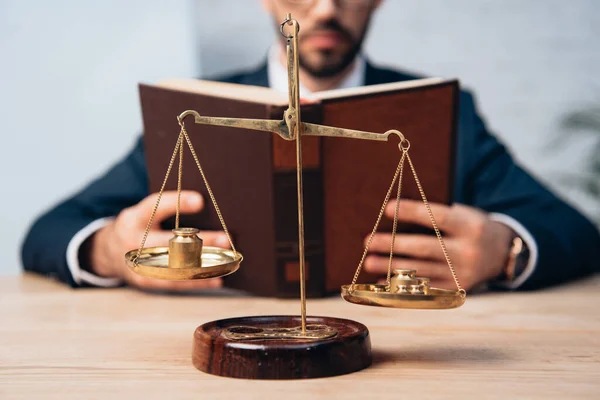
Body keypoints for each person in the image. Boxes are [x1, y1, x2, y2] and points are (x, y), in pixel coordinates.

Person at [21, 0, 600, 292]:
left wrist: (507, 253)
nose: (326, 9)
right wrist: (108, 250)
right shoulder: (195, 114)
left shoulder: (440, 112)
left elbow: (577, 233)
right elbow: (46, 232)